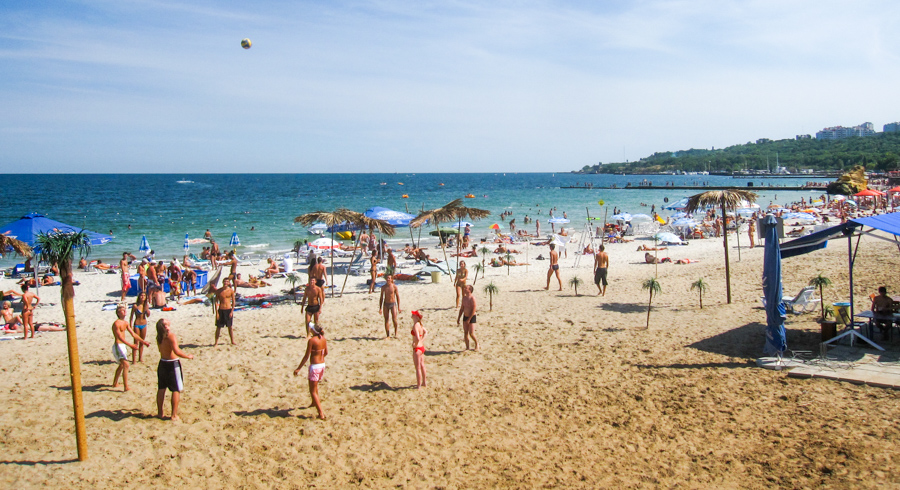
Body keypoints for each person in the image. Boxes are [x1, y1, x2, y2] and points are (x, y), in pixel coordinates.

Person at [156, 318, 194, 421]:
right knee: (176, 389)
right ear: (165, 326)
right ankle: (174, 415)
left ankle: (160, 413)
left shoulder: (159, 337)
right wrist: (187, 356)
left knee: (161, 388)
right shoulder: (170, 336)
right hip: (172, 364)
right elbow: (176, 351)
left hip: (162, 363)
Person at [293, 322, 328, 420]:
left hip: (315, 366)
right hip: (322, 365)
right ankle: (314, 402)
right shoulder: (323, 339)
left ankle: (321, 414)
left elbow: (306, 356)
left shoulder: (312, 340)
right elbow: (326, 352)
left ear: (313, 331)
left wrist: (298, 368)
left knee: (312, 390)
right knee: (315, 386)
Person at [112, 304, 150, 392]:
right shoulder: (116, 323)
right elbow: (119, 337)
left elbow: (133, 334)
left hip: (123, 346)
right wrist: (131, 345)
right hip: (118, 346)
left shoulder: (125, 323)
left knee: (122, 365)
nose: (124, 311)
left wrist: (143, 342)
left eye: (125, 310)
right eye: (122, 310)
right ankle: (126, 387)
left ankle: (115, 383)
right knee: (126, 364)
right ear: (118, 313)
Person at [213, 276, 236, 346]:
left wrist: (232, 311)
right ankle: (216, 342)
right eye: (224, 282)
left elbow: (234, 302)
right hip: (221, 310)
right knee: (218, 327)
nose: (226, 283)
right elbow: (216, 302)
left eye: (227, 282)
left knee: (230, 327)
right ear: (222, 282)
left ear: (229, 283)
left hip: (228, 310)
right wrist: (217, 313)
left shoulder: (231, 291)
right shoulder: (219, 291)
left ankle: (232, 341)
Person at [129, 291, 151, 363]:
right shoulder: (135, 306)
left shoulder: (146, 305)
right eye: (141, 296)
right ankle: (134, 360)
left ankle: (140, 358)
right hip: (137, 324)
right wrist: (130, 325)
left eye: (144, 296)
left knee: (142, 342)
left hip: (144, 324)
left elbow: (148, 315)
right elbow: (131, 316)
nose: (142, 297)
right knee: (136, 342)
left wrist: (147, 310)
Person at [457, 285, 478, 350]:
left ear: (469, 290)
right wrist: (458, 318)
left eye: (466, 288)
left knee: (471, 333)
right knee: (465, 332)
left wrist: (469, 319)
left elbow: (474, 309)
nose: (464, 289)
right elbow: (462, 308)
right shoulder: (464, 298)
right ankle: (467, 347)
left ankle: (476, 343)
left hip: (472, 317)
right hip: (465, 316)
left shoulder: (472, 298)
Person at [378, 274, 400, 338]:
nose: (388, 279)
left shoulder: (394, 287)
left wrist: (399, 307)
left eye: (389, 278)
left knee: (394, 319)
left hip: (393, 304)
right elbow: (381, 297)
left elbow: (397, 297)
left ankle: (396, 333)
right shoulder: (383, 287)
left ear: (391, 279)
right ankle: (388, 335)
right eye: (387, 278)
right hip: (386, 304)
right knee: (386, 319)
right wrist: (380, 308)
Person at [411, 311, 427, 388]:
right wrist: (422, 340)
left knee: (417, 368)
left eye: (413, 314)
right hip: (421, 347)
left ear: (416, 317)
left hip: (417, 348)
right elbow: (426, 332)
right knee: (422, 365)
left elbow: (417, 337)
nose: (412, 315)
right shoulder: (420, 325)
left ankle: (419, 385)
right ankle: (424, 382)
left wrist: (416, 342)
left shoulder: (415, 326)